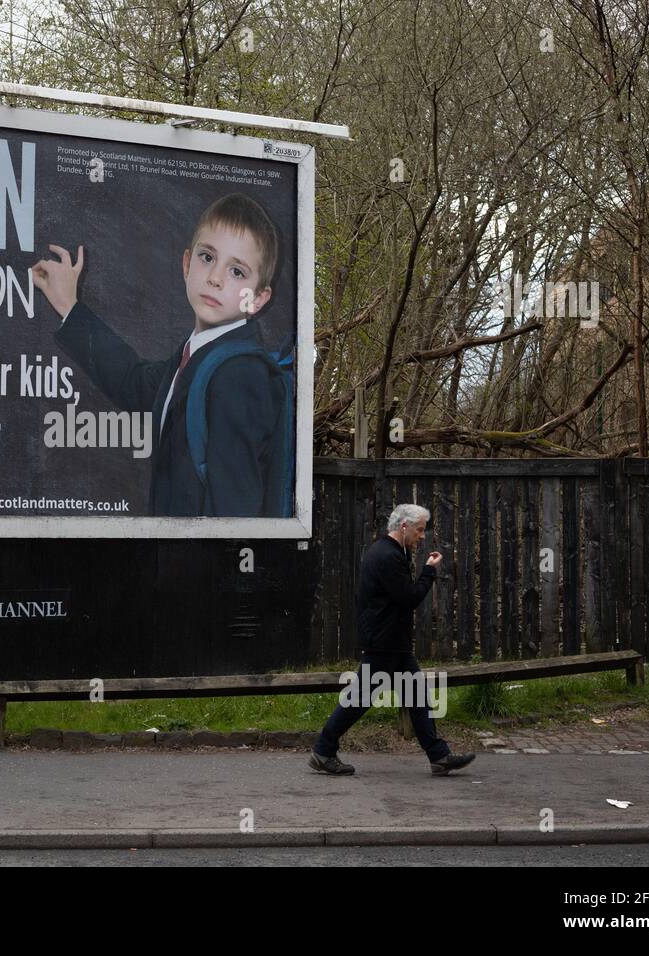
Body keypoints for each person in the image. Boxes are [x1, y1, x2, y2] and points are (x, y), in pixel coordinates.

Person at [32, 192, 289, 517]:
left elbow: (234, 514)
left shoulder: (240, 374)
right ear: (186, 264)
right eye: (207, 257)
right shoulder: (196, 357)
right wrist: (69, 307)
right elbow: (133, 381)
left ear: (259, 299)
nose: (215, 278)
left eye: (237, 272)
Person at [309, 503, 476, 776]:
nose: (422, 536)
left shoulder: (388, 551)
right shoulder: (388, 556)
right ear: (404, 526)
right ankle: (323, 749)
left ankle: (439, 755)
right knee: (360, 698)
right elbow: (408, 599)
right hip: (384, 642)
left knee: (416, 696)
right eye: (420, 530)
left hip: (390, 640)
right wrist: (429, 572)